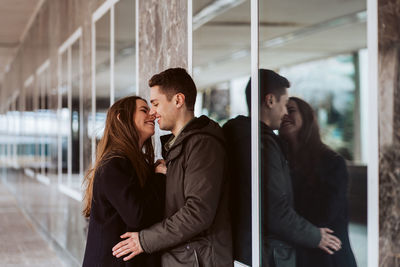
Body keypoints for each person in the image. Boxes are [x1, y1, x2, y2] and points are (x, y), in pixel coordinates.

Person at [112, 68, 233, 267]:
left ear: (178, 100)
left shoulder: (203, 145)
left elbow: (198, 212)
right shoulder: (179, 146)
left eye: (156, 104)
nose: (152, 112)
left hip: (197, 260)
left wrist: (144, 240)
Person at [222, 69, 341, 267]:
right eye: (285, 104)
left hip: (245, 249)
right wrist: (315, 236)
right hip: (267, 254)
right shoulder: (261, 144)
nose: (286, 112)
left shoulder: (237, 135)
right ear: (270, 101)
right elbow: (273, 208)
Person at [82, 96, 166, 267]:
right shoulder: (114, 164)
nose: (152, 114)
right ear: (122, 118)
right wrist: (159, 177)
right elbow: (137, 215)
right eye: (144, 110)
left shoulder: (133, 162)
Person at [280, 97, 357, 267]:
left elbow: (325, 214)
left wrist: (284, 217)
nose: (284, 114)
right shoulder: (279, 161)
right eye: (282, 110)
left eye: (291, 110)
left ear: (307, 117)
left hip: (329, 256)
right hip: (297, 256)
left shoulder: (332, 162)